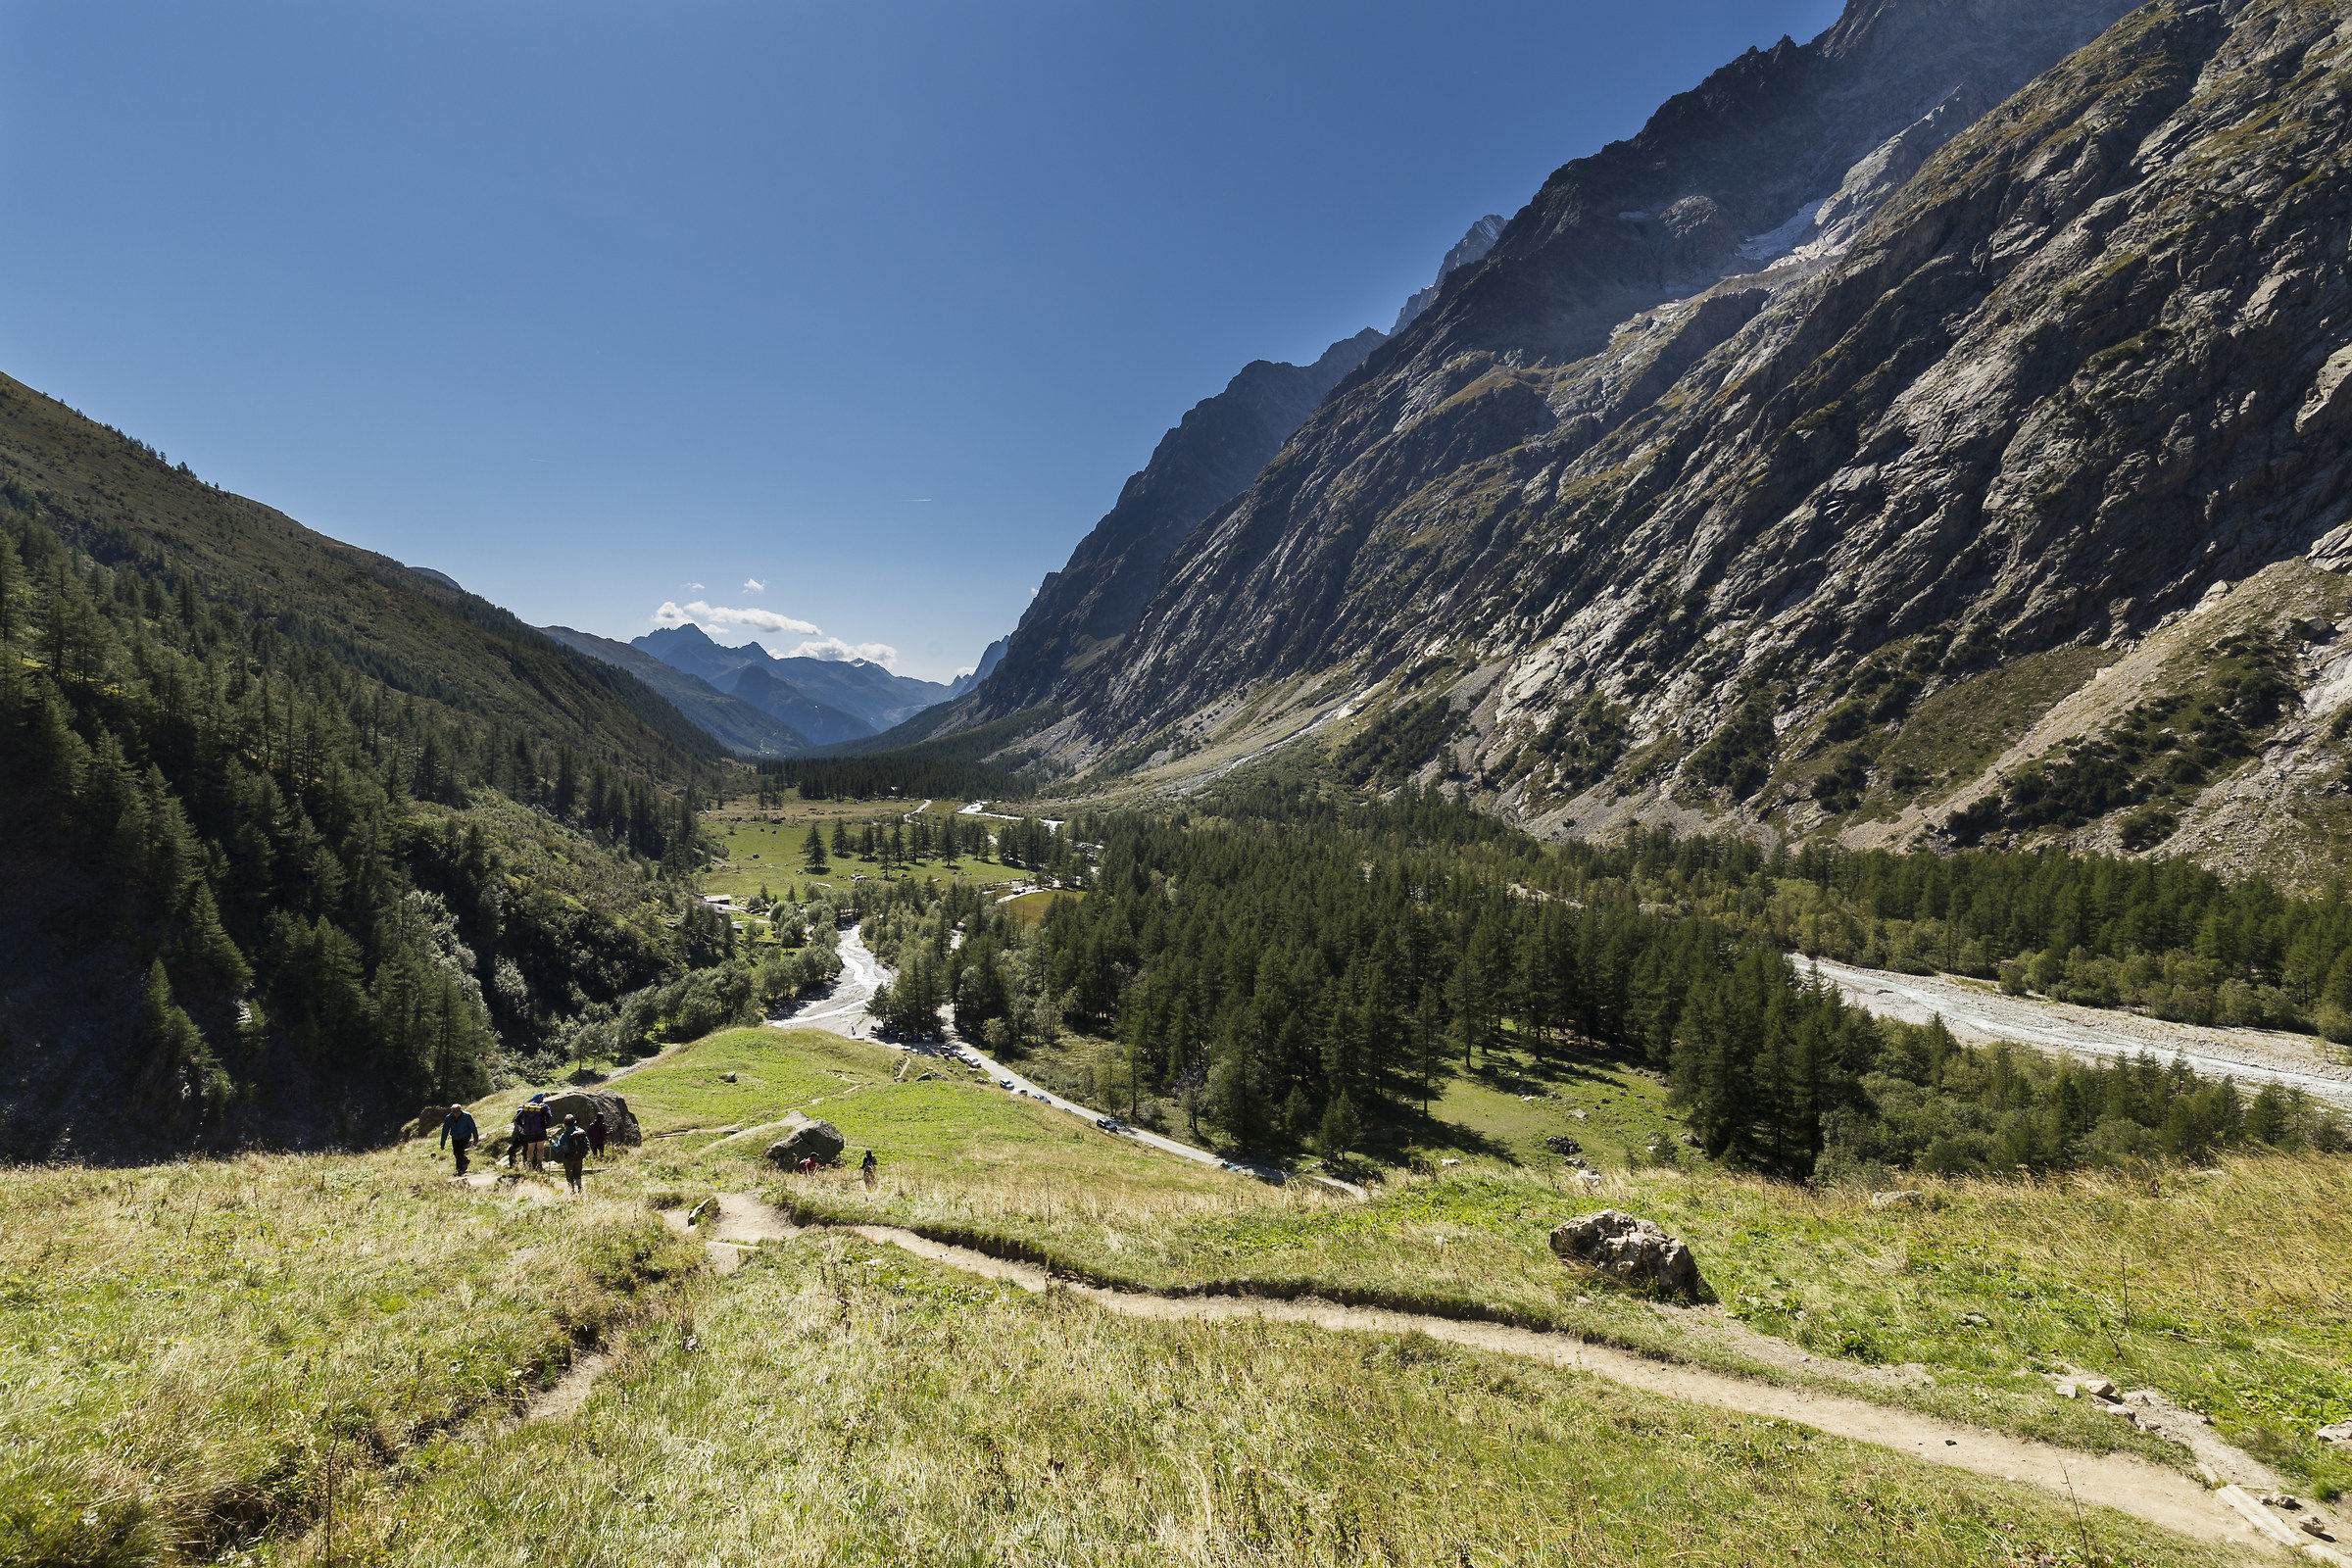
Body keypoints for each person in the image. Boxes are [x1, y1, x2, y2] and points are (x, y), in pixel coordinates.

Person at [553, 1113, 588, 1197]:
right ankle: (579, 1188)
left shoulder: (564, 1135)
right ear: (574, 1122)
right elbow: (587, 1142)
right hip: (579, 1156)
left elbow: (558, 1148)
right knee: (578, 1173)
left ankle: (572, 1191)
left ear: (565, 1124)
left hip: (568, 1157)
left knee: (569, 1174)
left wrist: (552, 1143)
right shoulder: (581, 1132)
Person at [439, 1103, 478, 1175]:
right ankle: (465, 1162)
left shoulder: (467, 1116)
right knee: (456, 1153)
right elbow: (445, 1131)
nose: (456, 1113)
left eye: (457, 1112)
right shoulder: (448, 1118)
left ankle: (460, 1169)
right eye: (454, 1112)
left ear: (460, 1110)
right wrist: (442, 1144)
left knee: (460, 1151)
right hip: (455, 1137)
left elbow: (473, 1127)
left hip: (465, 1136)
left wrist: (476, 1138)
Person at [515, 1098, 550, 1170]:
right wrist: (546, 1126)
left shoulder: (527, 1107)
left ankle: (529, 1165)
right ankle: (539, 1165)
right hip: (541, 1131)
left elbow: (517, 1119)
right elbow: (549, 1117)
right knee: (540, 1148)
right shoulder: (544, 1107)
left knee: (530, 1149)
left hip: (529, 1131)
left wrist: (524, 1126)